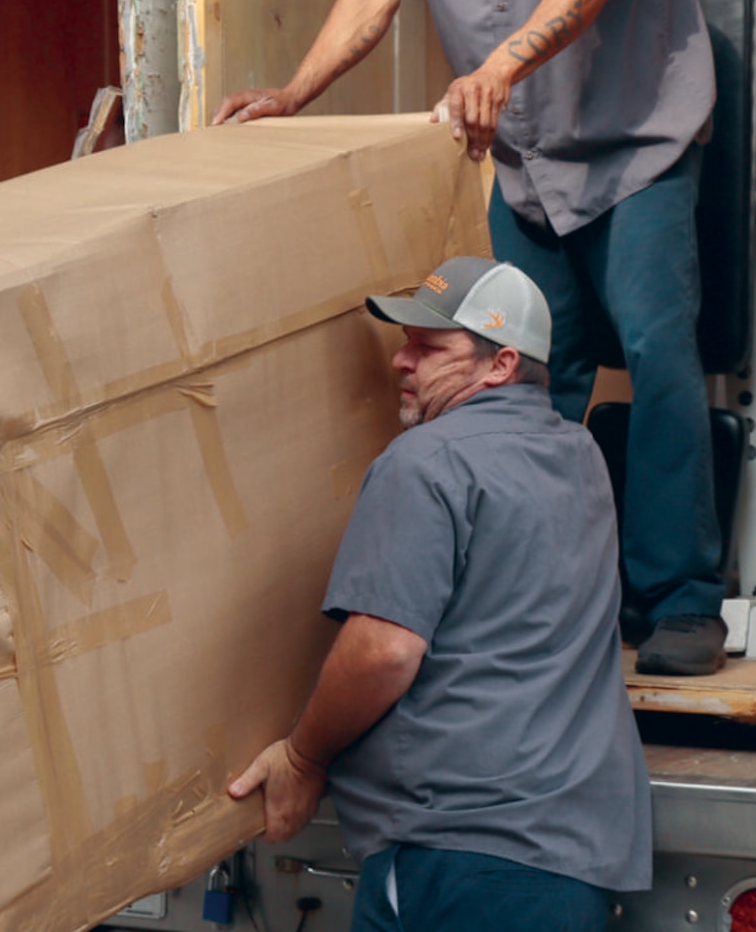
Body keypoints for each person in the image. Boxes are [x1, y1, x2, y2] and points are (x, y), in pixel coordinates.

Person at [211, 0, 726, 675]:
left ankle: (678, 600)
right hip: (528, 162)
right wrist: (288, 94)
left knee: (656, 350)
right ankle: (545, 594)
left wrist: (496, 67)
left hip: (634, 139)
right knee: (519, 374)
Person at [229, 257, 650, 930]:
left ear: (501, 364)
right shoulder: (581, 457)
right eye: (407, 342)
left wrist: (304, 756)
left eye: (430, 347)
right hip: (572, 855)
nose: (402, 361)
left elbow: (383, 650)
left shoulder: (426, 461)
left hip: (459, 850)